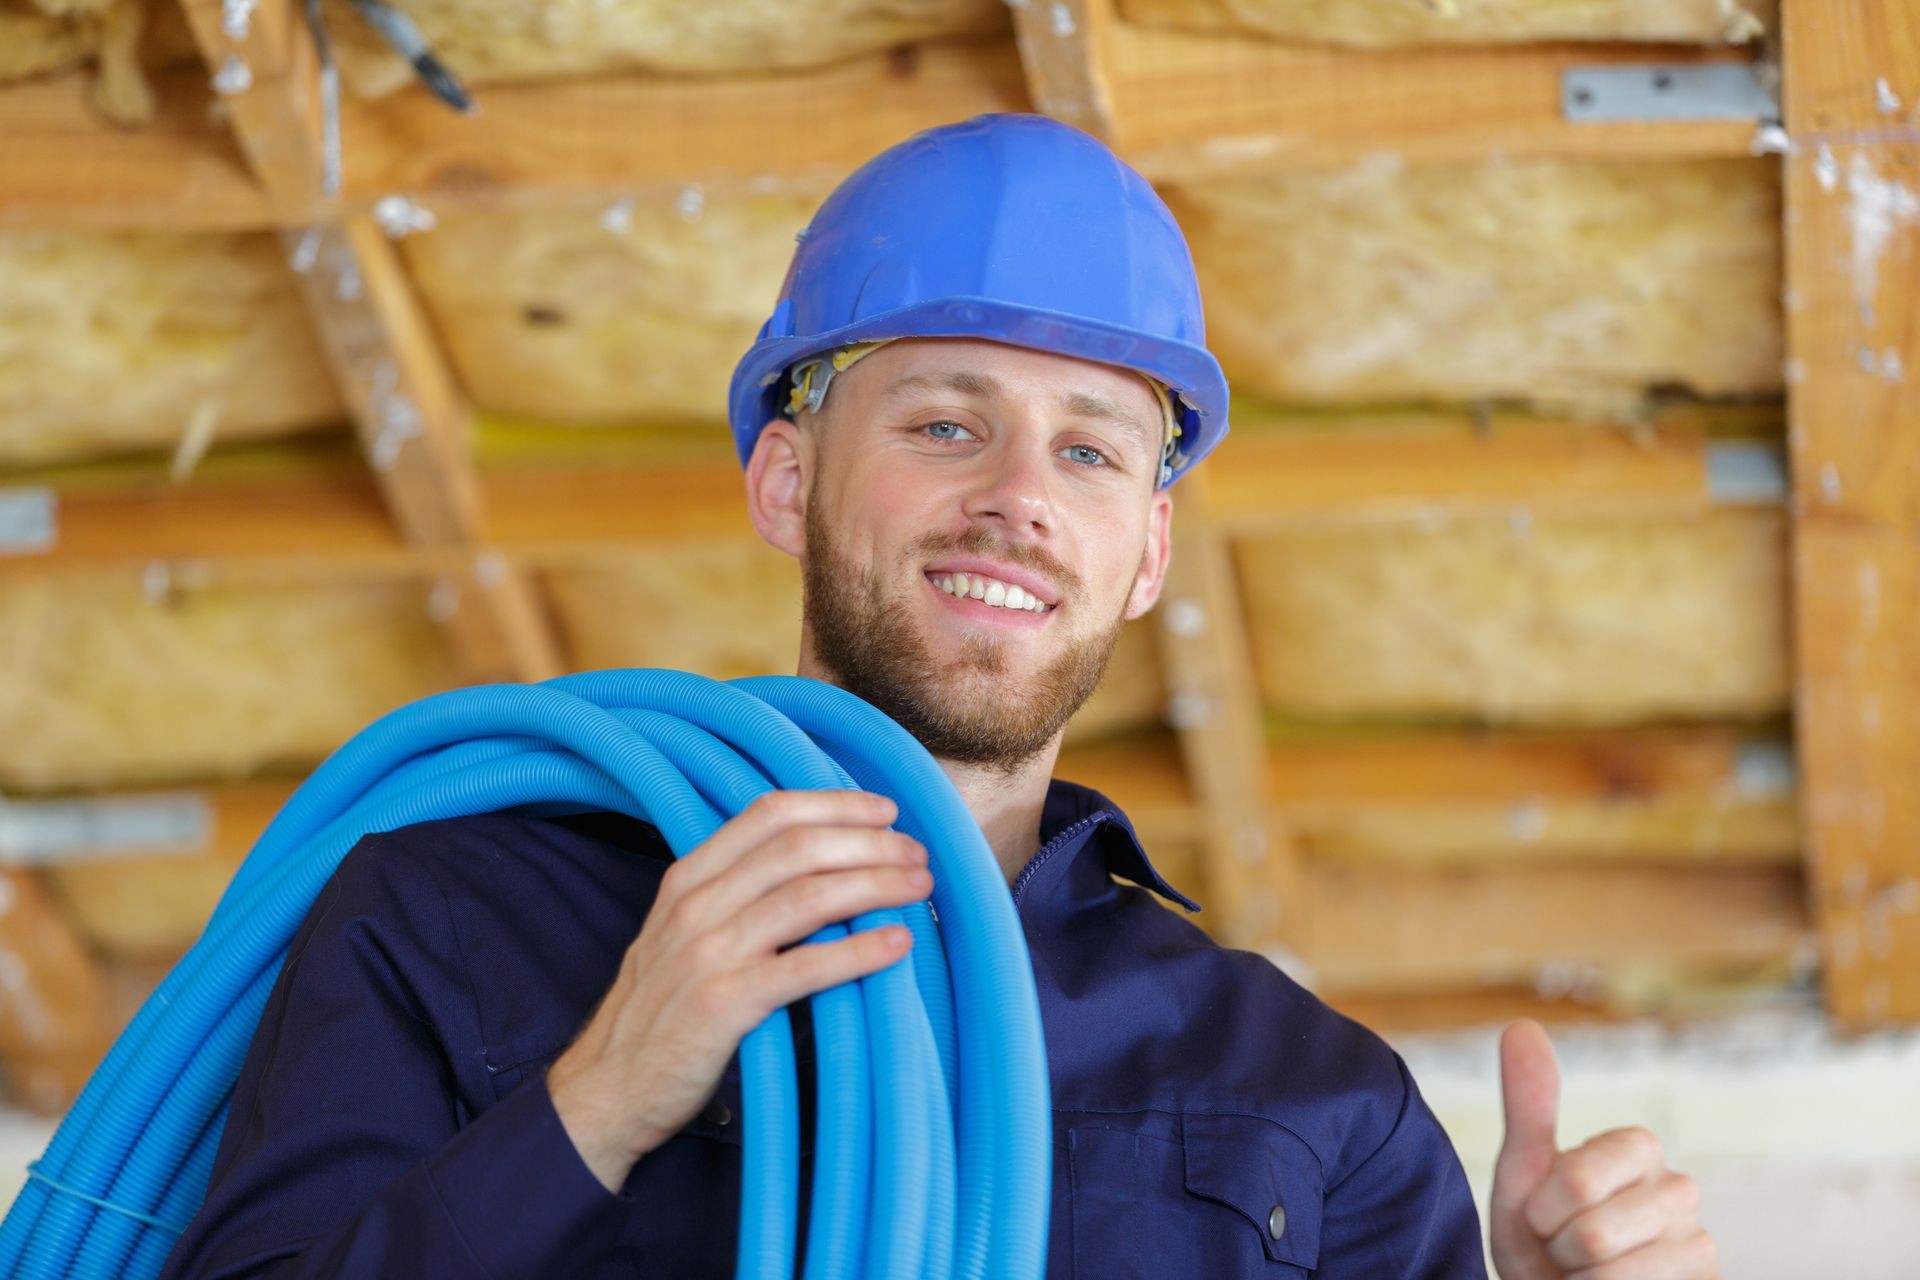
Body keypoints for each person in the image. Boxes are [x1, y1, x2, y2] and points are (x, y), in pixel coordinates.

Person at [160, 113, 1719, 1278]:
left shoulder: (1303, 1094)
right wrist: (603, 1096)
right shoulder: (451, 922)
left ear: (1147, 551)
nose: (1019, 499)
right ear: (788, 478)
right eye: (947, 424)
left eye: (1091, 449)